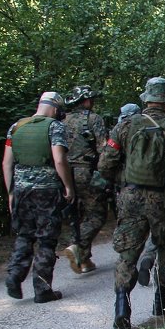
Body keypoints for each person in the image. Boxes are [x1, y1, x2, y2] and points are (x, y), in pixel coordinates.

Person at [99, 77, 165, 329]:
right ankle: (161, 300)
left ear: (145, 98)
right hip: (162, 199)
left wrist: (123, 180)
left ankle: (122, 308)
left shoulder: (124, 126)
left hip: (130, 196)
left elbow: (105, 165)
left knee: (127, 253)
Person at [2, 92, 75, 303]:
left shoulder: (16, 126)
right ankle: (42, 290)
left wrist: (11, 192)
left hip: (22, 191)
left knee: (24, 235)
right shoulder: (55, 127)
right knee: (46, 239)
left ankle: (14, 276)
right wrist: (68, 187)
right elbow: (59, 159)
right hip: (47, 191)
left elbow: (7, 163)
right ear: (55, 109)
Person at [61, 85, 109, 274]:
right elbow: (103, 148)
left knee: (77, 215)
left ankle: (84, 259)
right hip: (86, 171)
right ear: (86, 101)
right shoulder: (93, 119)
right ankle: (78, 246)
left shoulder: (61, 121)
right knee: (97, 214)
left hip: (65, 172)